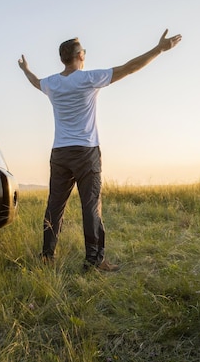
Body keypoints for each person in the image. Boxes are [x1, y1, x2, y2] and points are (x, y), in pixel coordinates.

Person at [18, 29, 182, 271]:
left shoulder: (51, 83)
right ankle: (94, 261)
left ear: (63, 59)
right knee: (91, 206)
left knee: (54, 206)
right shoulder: (87, 78)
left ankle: (46, 256)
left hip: (60, 153)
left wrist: (25, 69)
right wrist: (159, 49)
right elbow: (130, 68)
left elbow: (34, 82)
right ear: (80, 56)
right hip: (86, 153)